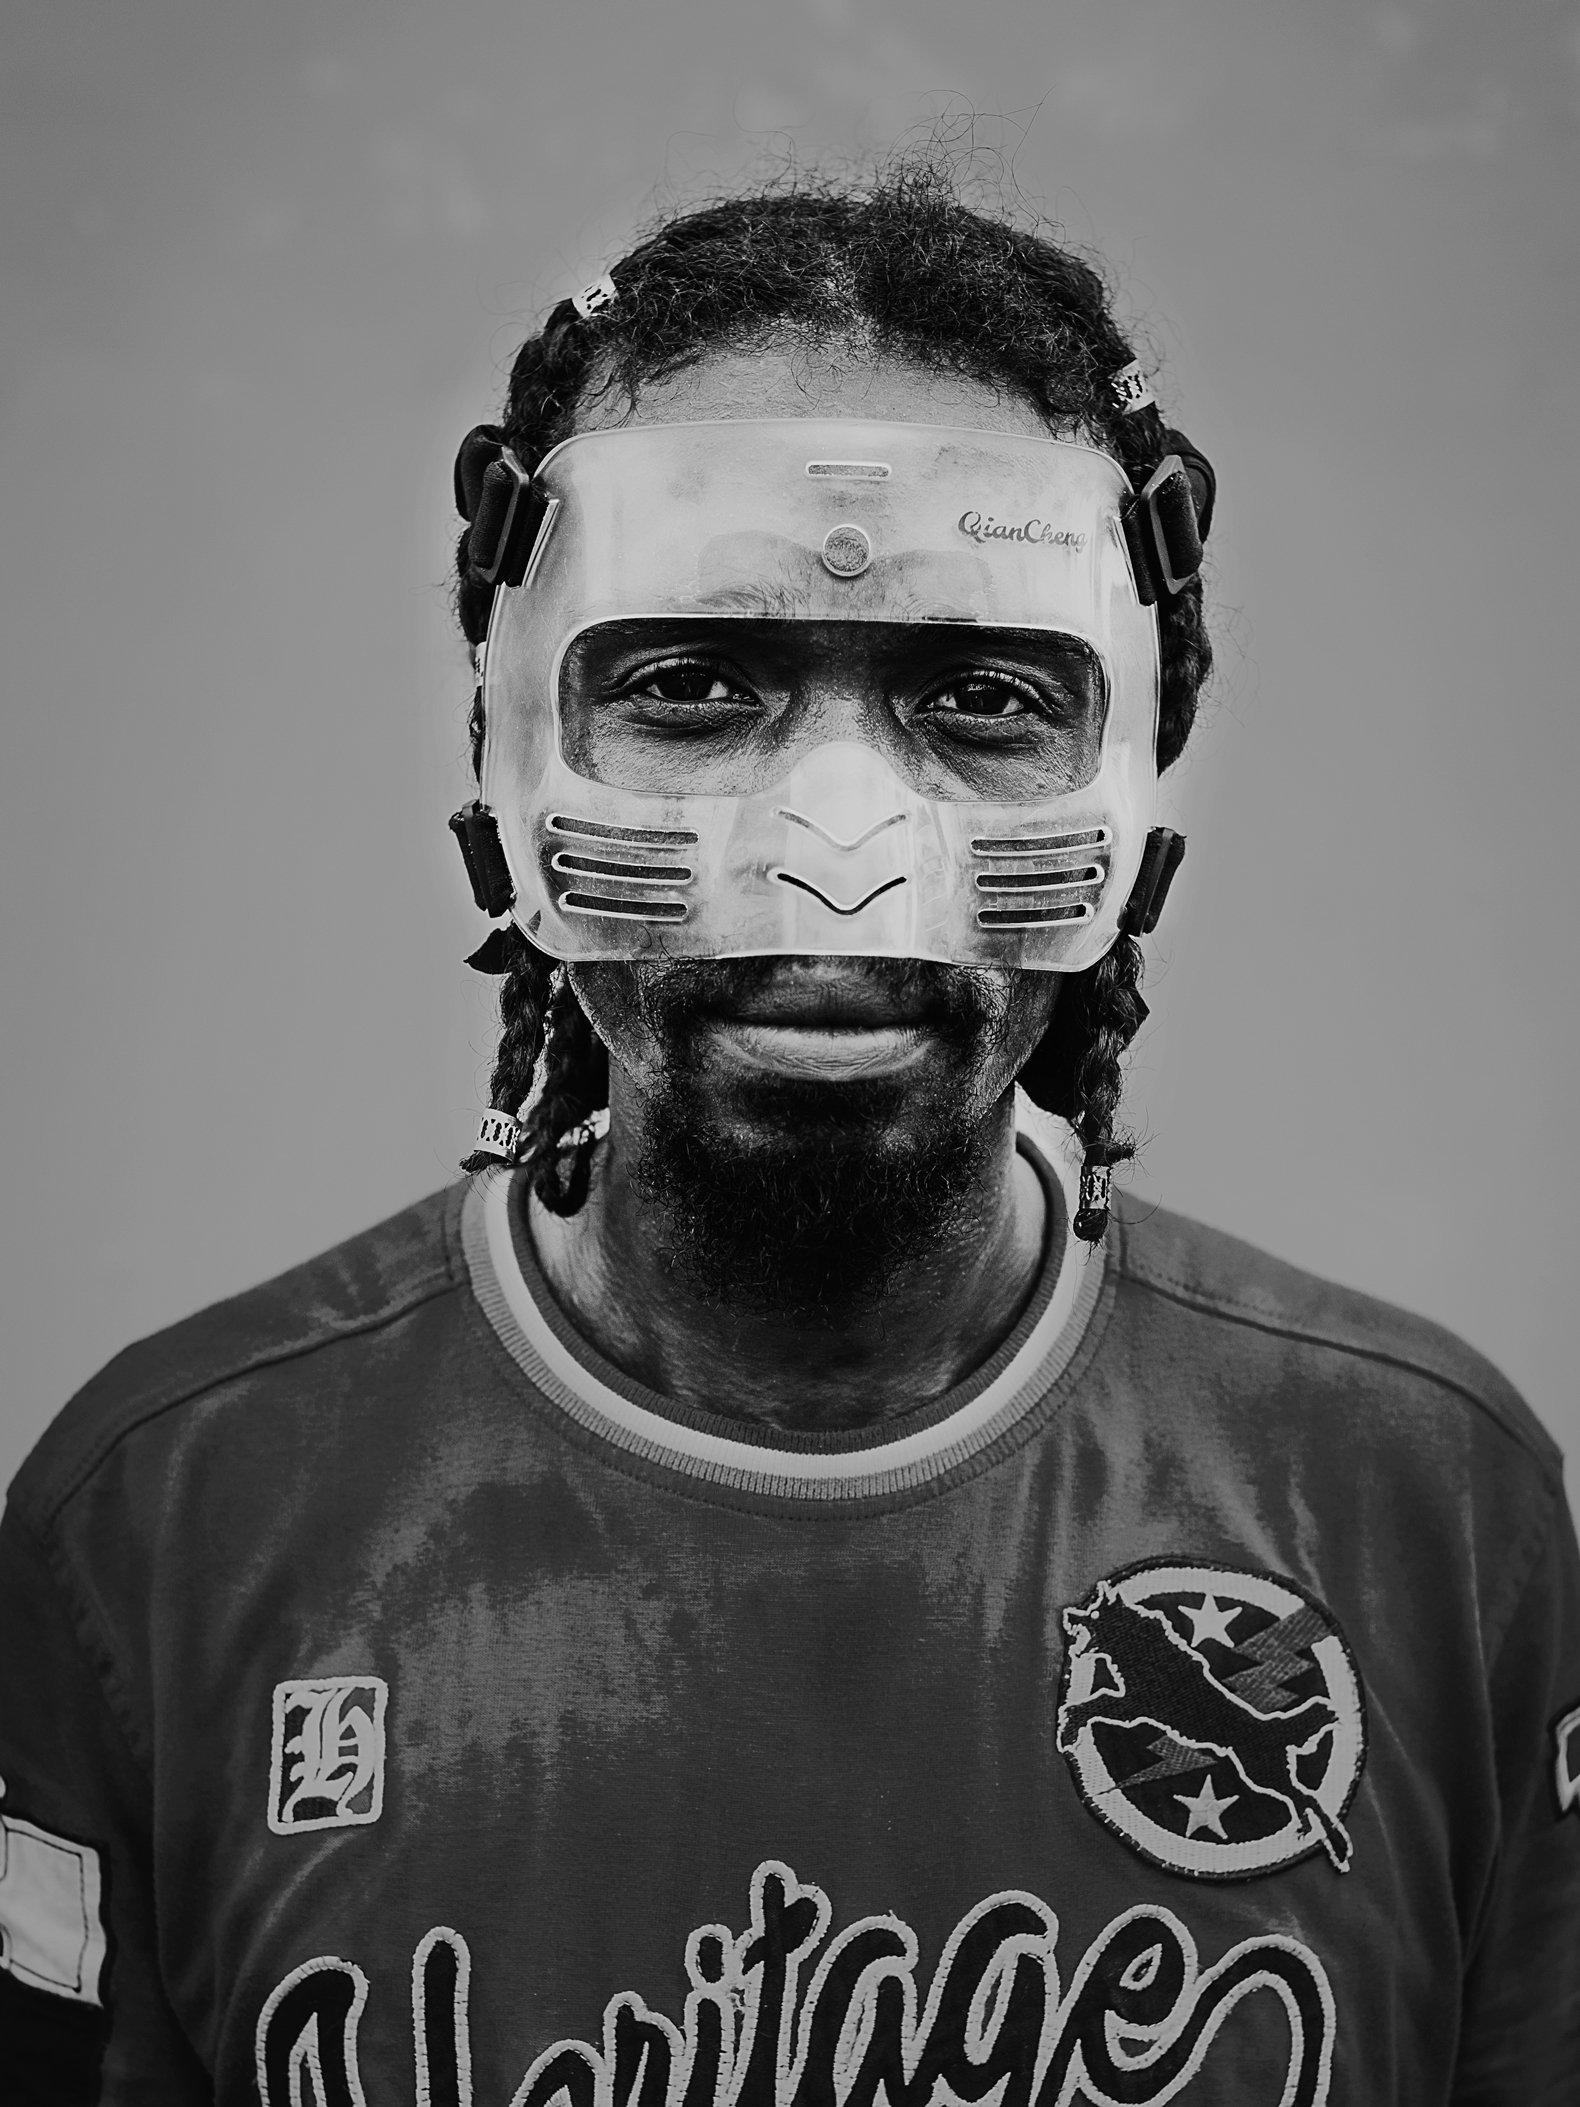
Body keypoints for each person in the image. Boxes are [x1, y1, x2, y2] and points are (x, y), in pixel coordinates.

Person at [1, 168, 1575, 2106]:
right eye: (688, 685)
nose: (835, 851)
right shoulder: (160, 1526)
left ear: (1142, 757)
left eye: (985, 695)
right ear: (505, 741)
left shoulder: (1429, 1508)